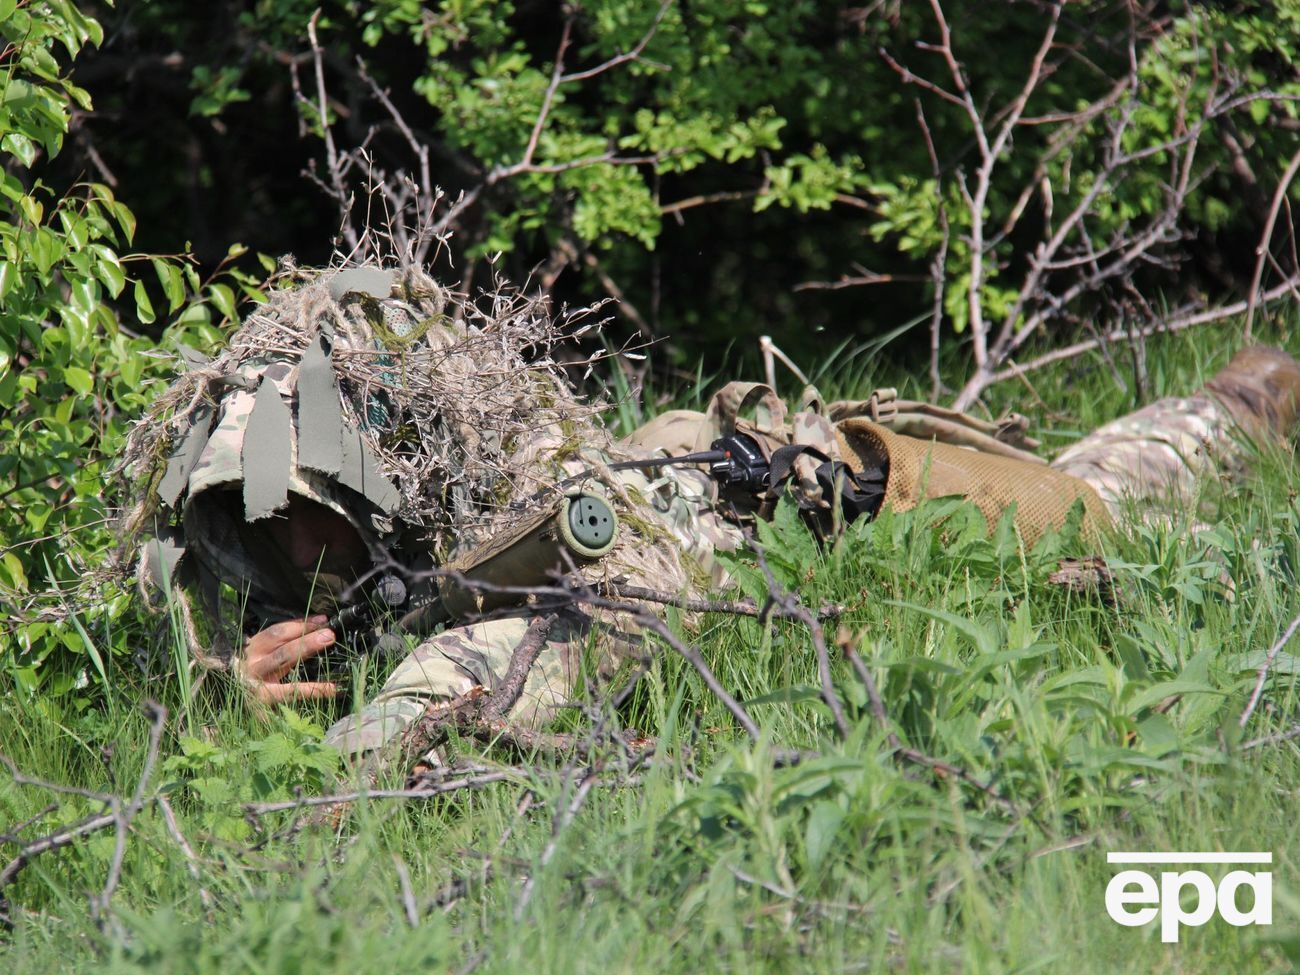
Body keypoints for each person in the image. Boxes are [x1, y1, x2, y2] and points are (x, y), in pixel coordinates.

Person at [124, 264, 1300, 757]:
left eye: (305, 515)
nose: (288, 547)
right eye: (260, 524)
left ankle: (1235, 405)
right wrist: (236, 682)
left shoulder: (516, 473)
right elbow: (186, 649)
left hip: (827, 498)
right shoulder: (253, 546)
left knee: (1112, 503)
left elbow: (552, 608)